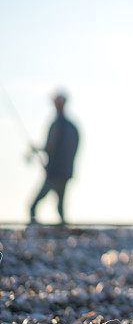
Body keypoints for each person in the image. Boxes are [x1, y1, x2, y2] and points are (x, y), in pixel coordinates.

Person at [29, 90, 80, 225]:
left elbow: (50, 147)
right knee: (60, 208)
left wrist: (37, 149)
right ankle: (62, 232)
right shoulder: (73, 127)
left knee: (33, 206)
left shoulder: (58, 125)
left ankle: (35, 230)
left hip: (55, 173)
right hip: (65, 173)